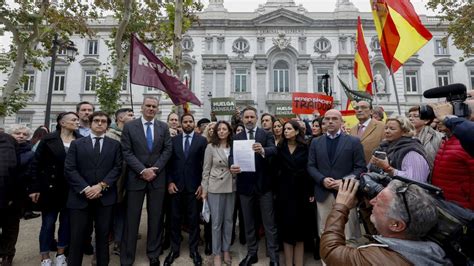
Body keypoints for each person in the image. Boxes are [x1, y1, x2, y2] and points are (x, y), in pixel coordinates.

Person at [320, 178, 451, 265]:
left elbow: (330, 251)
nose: (372, 202)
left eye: (379, 203)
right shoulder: (430, 247)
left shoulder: (377, 260)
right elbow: (383, 232)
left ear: (396, 225)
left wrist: (341, 207)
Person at [64, 111, 122, 266]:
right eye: (96, 120)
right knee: (77, 237)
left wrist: (101, 186)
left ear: (108, 125)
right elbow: (70, 169)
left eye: (103, 121)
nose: (100, 123)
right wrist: (86, 188)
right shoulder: (76, 144)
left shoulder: (115, 145)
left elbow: (117, 168)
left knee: (103, 237)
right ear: (90, 123)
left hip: (105, 197)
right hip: (80, 198)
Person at [120, 96, 172, 266]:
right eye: (148, 106)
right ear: (142, 108)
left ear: (157, 109)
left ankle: (153, 254)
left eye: (154, 106)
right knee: (131, 218)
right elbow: (126, 152)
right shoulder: (130, 127)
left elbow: (167, 150)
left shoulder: (163, 127)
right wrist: (142, 170)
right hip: (136, 178)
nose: (151, 109)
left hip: (157, 178)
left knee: (156, 218)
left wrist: (154, 169)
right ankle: (127, 256)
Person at [29, 112, 82, 266]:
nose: (77, 122)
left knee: (66, 223)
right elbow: (35, 164)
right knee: (48, 223)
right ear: (62, 123)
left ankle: (61, 254)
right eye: (73, 120)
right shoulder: (47, 139)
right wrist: (34, 188)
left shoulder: (80, 140)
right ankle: (45, 257)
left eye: (77, 120)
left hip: (71, 189)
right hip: (50, 189)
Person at [229, 106, 280, 266]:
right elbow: (232, 157)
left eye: (252, 117)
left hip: (264, 186)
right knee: (249, 223)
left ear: (256, 118)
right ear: (242, 119)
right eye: (246, 117)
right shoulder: (237, 137)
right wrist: (232, 166)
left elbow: (274, 150)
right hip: (245, 187)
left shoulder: (266, 134)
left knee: (269, 224)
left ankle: (273, 257)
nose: (249, 120)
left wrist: (263, 150)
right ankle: (252, 254)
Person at [307, 109, 366, 241]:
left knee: (348, 234)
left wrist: (344, 182)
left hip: (345, 194)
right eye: (327, 119)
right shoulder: (316, 142)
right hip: (323, 194)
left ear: (341, 121)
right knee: (325, 232)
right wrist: (322, 180)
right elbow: (311, 166)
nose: (330, 122)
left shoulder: (354, 142)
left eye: (334, 119)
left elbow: (360, 168)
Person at [164, 114, 207, 266]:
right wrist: (169, 182)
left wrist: (202, 185)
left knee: (194, 220)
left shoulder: (202, 141)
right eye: (185, 122)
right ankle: (174, 249)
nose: (188, 124)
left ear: (194, 123)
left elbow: (205, 165)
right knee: (174, 220)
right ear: (181, 124)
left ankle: (194, 250)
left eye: (190, 122)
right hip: (175, 187)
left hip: (194, 188)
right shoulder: (173, 141)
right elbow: (167, 164)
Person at [274, 121, 312, 266]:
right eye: (285, 129)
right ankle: (288, 263)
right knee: (286, 230)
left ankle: (299, 263)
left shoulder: (305, 147)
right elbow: (275, 170)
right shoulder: (280, 148)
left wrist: (310, 192)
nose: (285, 131)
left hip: (301, 193)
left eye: (289, 129)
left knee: (300, 231)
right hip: (284, 193)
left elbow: (309, 171)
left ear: (297, 131)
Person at [201, 121, 236, 266]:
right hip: (215, 187)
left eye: (224, 129)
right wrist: (204, 190)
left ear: (229, 131)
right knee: (216, 223)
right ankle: (216, 253)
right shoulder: (210, 147)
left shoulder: (234, 146)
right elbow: (206, 170)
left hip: (232, 186)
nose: (221, 131)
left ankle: (226, 250)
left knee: (228, 221)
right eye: (219, 129)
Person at [106, 108, 134, 255]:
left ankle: (121, 238)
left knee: (124, 211)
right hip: (115, 181)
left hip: (128, 180)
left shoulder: (129, 134)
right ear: (120, 118)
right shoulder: (111, 135)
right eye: (130, 115)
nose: (133, 117)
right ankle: (115, 241)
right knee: (114, 213)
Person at [370, 116, 430, 183]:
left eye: (392, 129)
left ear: (404, 131)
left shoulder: (411, 150)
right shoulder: (383, 146)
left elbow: (417, 179)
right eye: (386, 128)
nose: (387, 131)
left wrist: (388, 169)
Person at [432, 119, 474, 210]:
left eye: (442, 118)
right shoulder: (445, 141)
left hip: (463, 206)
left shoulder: (465, 142)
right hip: (445, 202)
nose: (437, 121)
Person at [8, 125, 40, 220]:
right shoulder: (4, 149)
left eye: (24, 134)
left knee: (12, 223)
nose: (21, 136)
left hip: (19, 191)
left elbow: (32, 173)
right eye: (17, 133)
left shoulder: (31, 153)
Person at [0, 132, 19, 266]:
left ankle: (7, 254)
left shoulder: (6, 140)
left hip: (8, 193)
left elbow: (7, 168)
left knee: (9, 226)